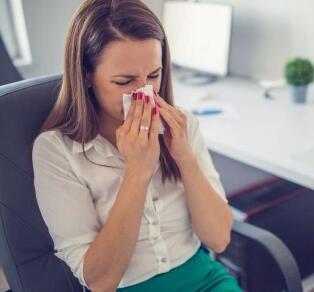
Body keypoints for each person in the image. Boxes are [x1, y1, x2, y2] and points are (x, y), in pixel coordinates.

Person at [31, 1, 240, 291]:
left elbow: (219, 239)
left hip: (202, 277)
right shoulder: (56, 151)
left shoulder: (183, 124)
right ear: (87, 76)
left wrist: (185, 157)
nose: (145, 92)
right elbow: (101, 281)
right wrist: (138, 170)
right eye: (124, 81)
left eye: (153, 75)